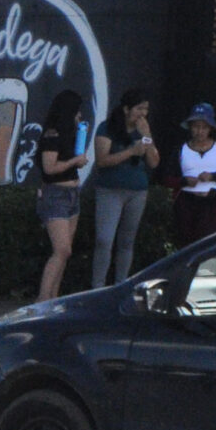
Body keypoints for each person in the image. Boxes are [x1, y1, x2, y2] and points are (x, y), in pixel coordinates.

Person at [89, 90, 160, 288]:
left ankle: (120, 285)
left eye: (146, 109)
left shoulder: (143, 132)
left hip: (137, 191)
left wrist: (147, 136)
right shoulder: (107, 128)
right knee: (104, 239)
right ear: (127, 109)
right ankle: (98, 287)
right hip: (110, 190)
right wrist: (130, 151)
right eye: (139, 108)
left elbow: (153, 162)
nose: (143, 113)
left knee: (127, 240)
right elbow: (102, 161)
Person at [34, 89, 92, 302]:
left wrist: (78, 159)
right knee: (62, 249)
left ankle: (53, 296)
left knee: (66, 252)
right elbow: (49, 167)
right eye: (77, 112)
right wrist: (73, 162)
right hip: (56, 193)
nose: (80, 116)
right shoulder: (52, 135)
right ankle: (42, 298)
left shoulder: (71, 134)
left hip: (72, 192)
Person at [172, 104, 216, 246]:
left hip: (211, 203)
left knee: (207, 244)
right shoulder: (180, 149)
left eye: (204, 127)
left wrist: (213, 177)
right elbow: (166, 177)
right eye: (196, 127)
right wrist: (184, 181)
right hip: (186, 204)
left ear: (210, 128)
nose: (199, 131)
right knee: (185, 244)